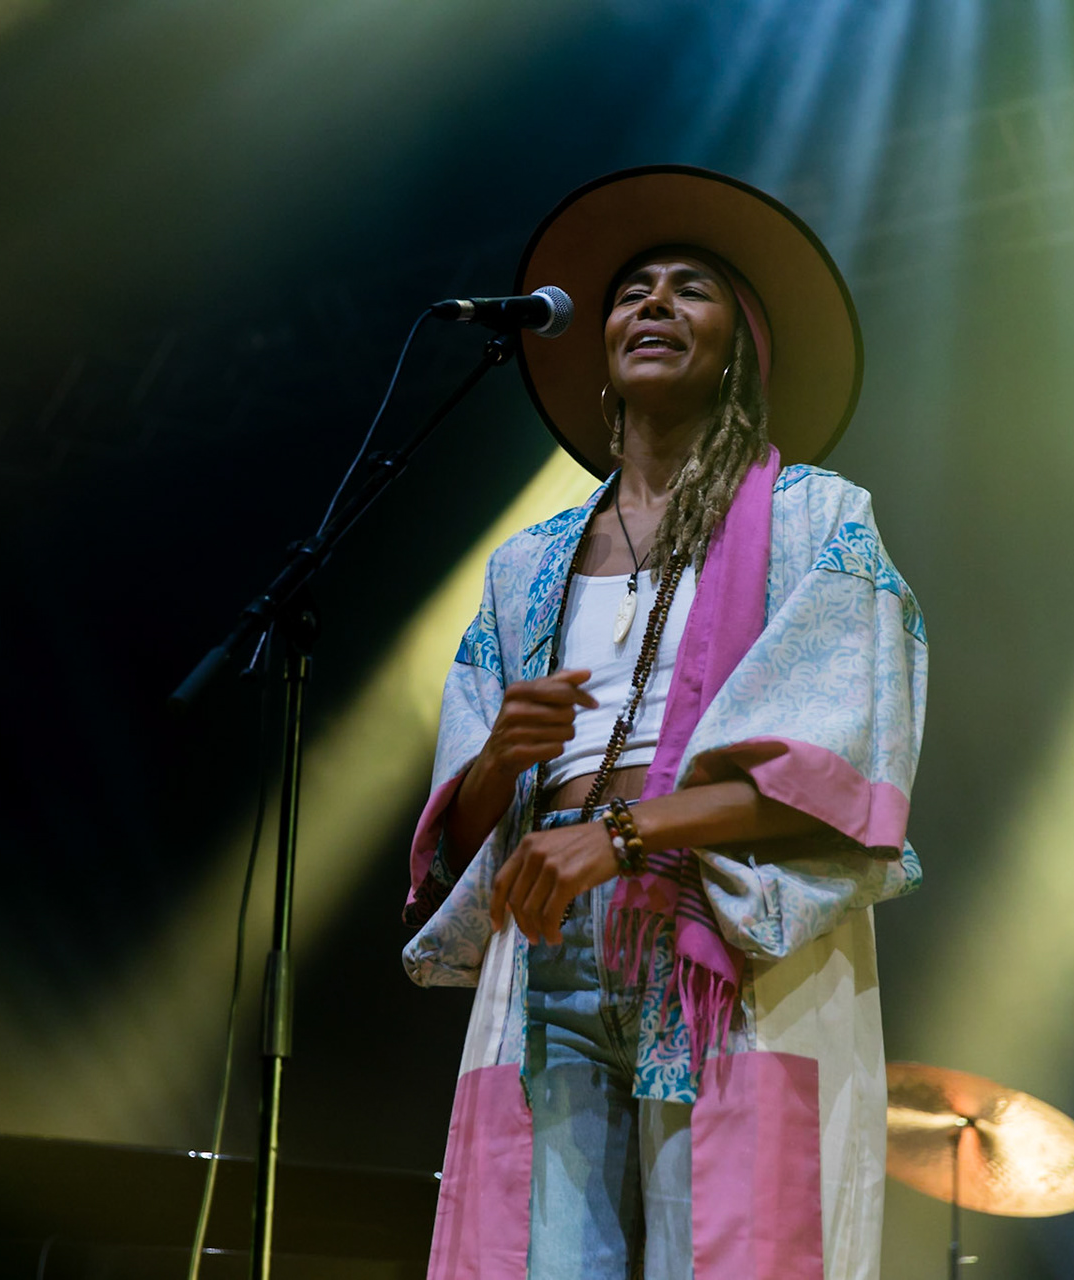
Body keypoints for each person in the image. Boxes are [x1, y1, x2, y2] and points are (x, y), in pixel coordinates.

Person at [401, 165, 928, 1280]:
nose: (652, 302)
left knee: (728, 1252)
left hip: (720, 928)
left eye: (692, 289)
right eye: (634, 290)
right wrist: (500, 756)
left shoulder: (817, 519)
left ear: (742, 343)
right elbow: (464, 827)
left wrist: (628, 832)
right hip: (553, 943)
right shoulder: (526, 563)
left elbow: (838, 770)